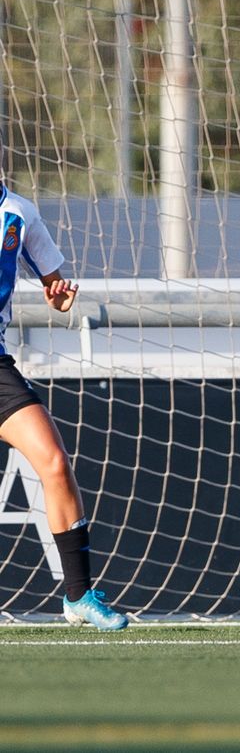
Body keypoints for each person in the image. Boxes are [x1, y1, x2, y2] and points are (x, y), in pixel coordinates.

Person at [0, 187, 128, 630]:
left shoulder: (17, 213)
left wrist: (59, 298)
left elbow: (53, 286)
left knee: (54, 463)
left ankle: (78, 597)